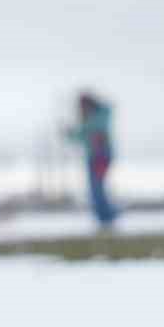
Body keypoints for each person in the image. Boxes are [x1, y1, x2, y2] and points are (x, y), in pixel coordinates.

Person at [66, 92, 119, 229]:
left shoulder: (100, 115)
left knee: (97, 188)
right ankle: (105, 218)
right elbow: (82, 136)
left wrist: (78, 130)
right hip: (93, 157)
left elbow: (92, 129)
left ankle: (108, 217)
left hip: (100, 156)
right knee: (95, 189)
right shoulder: (91, 119)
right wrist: (70, 134)